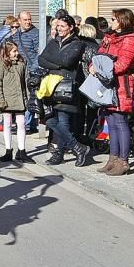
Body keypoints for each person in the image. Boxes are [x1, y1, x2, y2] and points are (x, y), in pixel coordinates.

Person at [38, 14, 90, 166]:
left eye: (62, 26)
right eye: (57, 26)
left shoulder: (78, 44)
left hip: (66, 87)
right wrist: (59, 64)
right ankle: (77, 147)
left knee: (63, 121)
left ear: (71, 27)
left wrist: (54, 61)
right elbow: (41, 59)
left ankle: (58, 154)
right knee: (50, 120)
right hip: (50, 87)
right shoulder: (53, 42)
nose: (59, 29)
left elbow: (68, 61)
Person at [94, 8, 134, 176]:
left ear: (122, 21)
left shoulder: (129, 41)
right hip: (106, 84)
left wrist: (101, 69)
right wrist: (95, 66)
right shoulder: (109, 37)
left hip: (121, 84)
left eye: (113, 19)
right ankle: (112, 158)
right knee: (110, 122)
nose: (111, 22)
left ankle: (123, 161)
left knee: (120, 122)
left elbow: (122, 65)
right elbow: (99, 55)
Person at [0, 41, 32, 163]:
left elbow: (25, 82)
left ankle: (22, 151)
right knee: (8, 124)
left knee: (21, 124)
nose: (17, 53)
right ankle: (8, 150)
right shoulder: (0, 65)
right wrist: (0, 101)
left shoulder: (21, 64)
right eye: (14, 51)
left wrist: (28, 97)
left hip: (20, 99)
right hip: (7, 100)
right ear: (7, 52)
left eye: (17, 50)